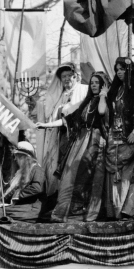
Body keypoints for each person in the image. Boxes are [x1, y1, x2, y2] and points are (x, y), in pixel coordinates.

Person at [37, 71, 109, 222]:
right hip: (79, 143)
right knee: (69, 177)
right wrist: (45, 125)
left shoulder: (105, 101)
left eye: (97, 82)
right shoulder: (86, 102)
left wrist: (103, 95)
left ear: (103, 85)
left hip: (95, 143)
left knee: (91, 178)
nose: (94, 85)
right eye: (93, 83)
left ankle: (87, 214)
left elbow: (102, 112)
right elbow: (66, 121)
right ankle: (64, 213)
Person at [104, 57, 134, 220]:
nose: (119, 72)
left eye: (122, 69)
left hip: (133, 137)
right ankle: (115, 212)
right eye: (117, 69)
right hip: (114, 137)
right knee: (114, 173)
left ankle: (129, 210)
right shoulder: (116, 89)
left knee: (130, 175)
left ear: (130, 70)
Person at [37, 64, 89, 197]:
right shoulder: (61, 96)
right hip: (62, 137)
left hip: (79, 136)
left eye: (69, 76)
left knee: (75, 169)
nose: (66, 79)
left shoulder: (84, 90)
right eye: (63, 77)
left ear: (76, 76)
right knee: (61, 168)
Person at [0, 141, 46, 222]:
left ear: (25, 157)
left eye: (18, 157)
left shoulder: (37, 169)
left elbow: (37, 188)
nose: (15, 159)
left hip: (32, 208)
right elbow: (13, 190)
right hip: (23, 206)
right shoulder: (21, 172)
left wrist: (18, 194)